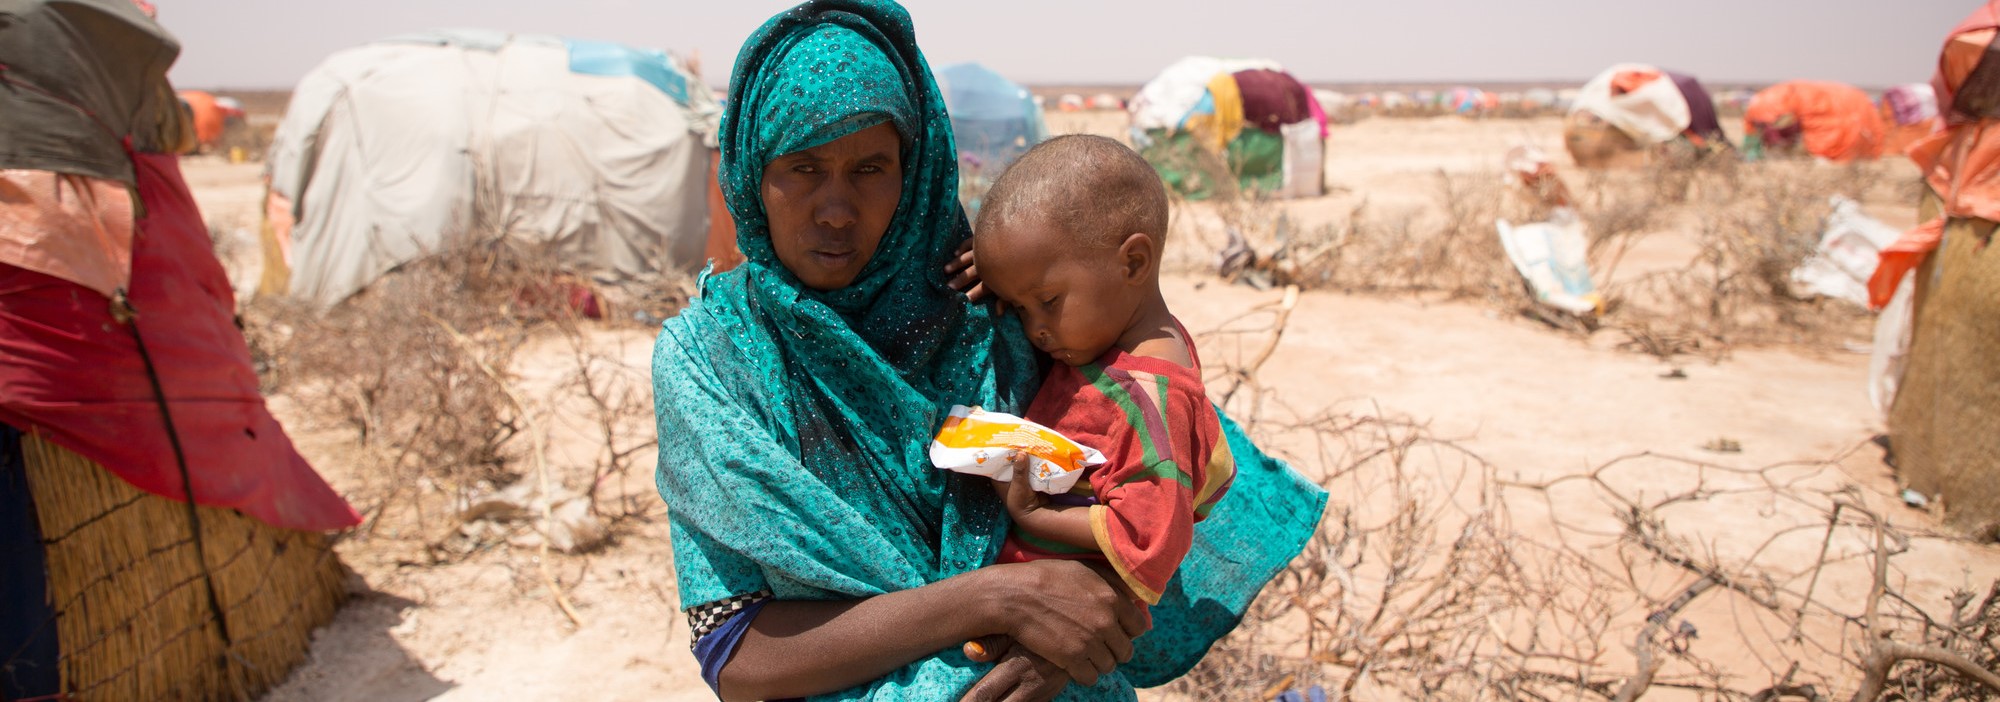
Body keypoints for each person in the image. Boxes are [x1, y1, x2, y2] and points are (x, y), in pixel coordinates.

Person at [652, 2, 1325, 700]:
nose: (835, 209)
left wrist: (1066, 639)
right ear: (753, 172)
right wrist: (996, 599)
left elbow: (1144, 508)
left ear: (915, 171)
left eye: (871, 167)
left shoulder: (996, 312)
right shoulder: (711, 362)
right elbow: (734, 653)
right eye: (802, 166)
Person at [956, 136, 1234, 619]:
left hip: (1059, 614)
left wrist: (1037, 515)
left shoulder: (1152, 399)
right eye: (1020, 308)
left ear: (1133, 262)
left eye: (1048, 301)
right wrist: (1012, 275)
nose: (1034, 329)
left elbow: (1151, 537)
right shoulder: (1125, 334)